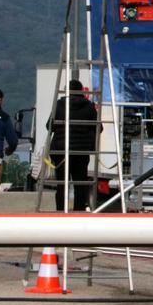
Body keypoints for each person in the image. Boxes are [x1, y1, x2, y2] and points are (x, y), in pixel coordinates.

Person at [48, 79, 100, 211]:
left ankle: (60, 211)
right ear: (81, 91)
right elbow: (99, 127)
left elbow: (49, 125)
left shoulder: (60, 104)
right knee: (80, 184)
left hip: (61, 150)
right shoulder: (89, 106)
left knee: (61, 184)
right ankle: (79, 210)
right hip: (81, 151)